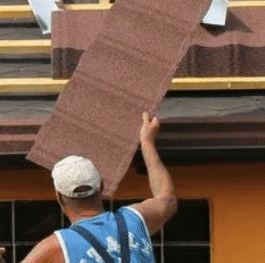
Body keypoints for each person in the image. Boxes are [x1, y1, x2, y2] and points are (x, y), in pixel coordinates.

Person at [19, 112, 178, 263]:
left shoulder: (56, 246)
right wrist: (147, 143)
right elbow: (167, 198)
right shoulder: (134, 220)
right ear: (101, 186)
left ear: (59, 197)